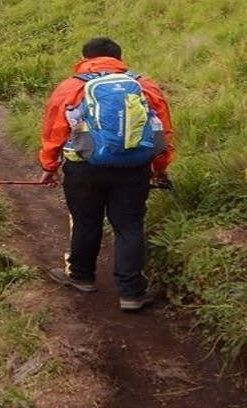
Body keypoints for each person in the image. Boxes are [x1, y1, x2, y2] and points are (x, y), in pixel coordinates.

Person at [38, 36, 174, 311]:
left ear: (85, 58)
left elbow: (55, 131)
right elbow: (162, 133)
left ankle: (82, 276)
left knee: (86, 221)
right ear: (119, 58)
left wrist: (49, 167)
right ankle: (131, 293)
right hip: (134, 168)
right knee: (128, 227)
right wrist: (159, 169)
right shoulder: (144, 86)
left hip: (84, 167)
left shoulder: (71, 87)